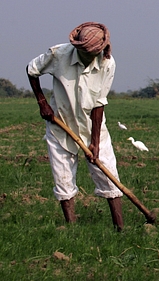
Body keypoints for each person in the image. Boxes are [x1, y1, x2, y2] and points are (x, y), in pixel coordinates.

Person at [27, 22, 124, 231]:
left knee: (108, 173)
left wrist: (95, 143)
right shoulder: (58, 54)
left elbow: (100, 103)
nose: (95, 56)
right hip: (60, 124)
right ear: (79, 49)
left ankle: (119, 227)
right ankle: (71, 228)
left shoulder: (108, 64)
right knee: (62, 176)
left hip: (93, 127)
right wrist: (42, 103)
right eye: (91, 53)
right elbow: (32, 70)